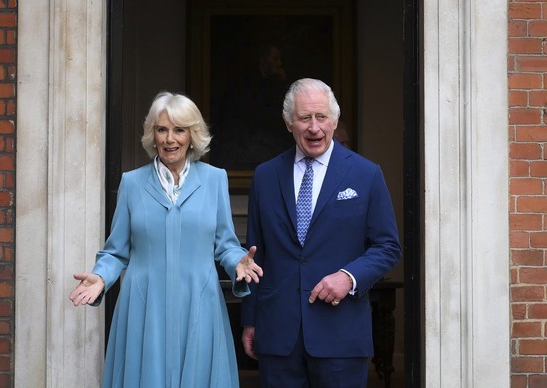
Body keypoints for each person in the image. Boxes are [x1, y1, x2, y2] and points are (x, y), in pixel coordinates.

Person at [69, 91, 263, 388]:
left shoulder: (214, 180)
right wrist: (100, 277)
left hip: (199, 301)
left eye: (179, 130)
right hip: (144, 305)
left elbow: (224, 243)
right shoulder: (132, 184)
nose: (170, 139)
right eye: (162, 129)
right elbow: (116, 251)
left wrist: (237, 260)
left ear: (192, 135)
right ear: (153, 135)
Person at [241, 78, 401, 388]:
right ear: (289, 123)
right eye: (304, 118)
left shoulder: (366, 174)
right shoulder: (265, 176)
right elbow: (253, 255)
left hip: (340, 335)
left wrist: (348, 277)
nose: (314, 127)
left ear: (335, 119)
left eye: (321, 117)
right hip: (278, 335)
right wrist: (250, 319)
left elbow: (387, 246)